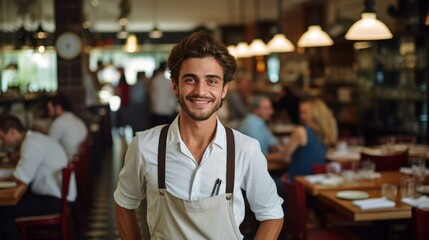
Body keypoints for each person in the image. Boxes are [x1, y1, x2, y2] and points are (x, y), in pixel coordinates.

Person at [114, 31, 284, 240]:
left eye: (212, 81)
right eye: (190, 80)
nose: (200, 91)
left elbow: (272, 214)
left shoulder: (245, 149)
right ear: (175, 86)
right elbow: (124, 202)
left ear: (224, 90)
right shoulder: (144, 145)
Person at [0, 115, 77, 239]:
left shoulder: (31, 143)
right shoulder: (34, 139)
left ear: (12, 132)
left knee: (2, 214)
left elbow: (21, 177)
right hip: (58, 197)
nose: (2, 142)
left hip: (53, 200)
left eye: (3, 138)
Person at [282, 97, 337, 181]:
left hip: (297, 183)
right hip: (314, 181)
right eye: (301, 112)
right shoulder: (326, 132)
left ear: (315, 114)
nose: (301, 116)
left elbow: (285, 157)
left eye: (305, 113)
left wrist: (266, 156)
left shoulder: (301, 131)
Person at [238, 95, 287, 163]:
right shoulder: (253, 126)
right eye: (266, 108)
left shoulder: (258, 122)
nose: (271, 111)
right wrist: (284, 155)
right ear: (255, 110)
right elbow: (260, 157)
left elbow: (273, 144)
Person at [47, 95, 88, 160]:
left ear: (58, 108)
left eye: (50, 109)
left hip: (67, 163)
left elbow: (48, 146)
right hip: (79, 164)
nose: (49, 113)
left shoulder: (59, 122)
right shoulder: (78, 120)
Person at [149, 61, 177, 127]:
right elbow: (173, 96)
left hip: (156, 110)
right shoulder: (169, 82)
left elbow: (152, 97)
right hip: (168, 110)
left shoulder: (154, 80)